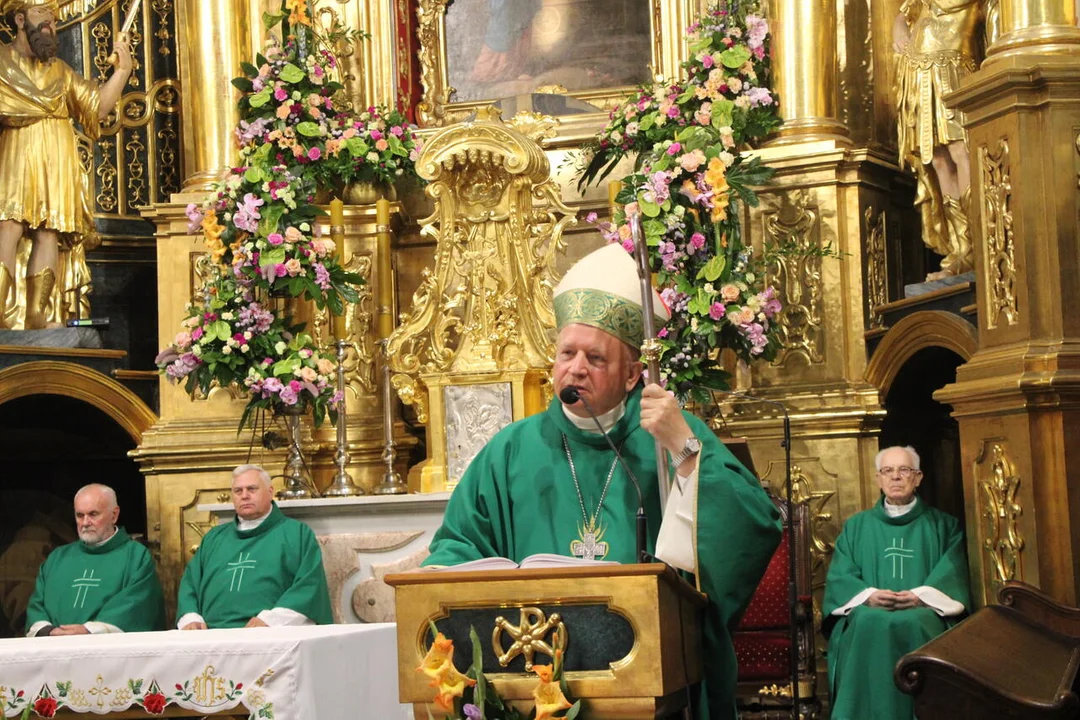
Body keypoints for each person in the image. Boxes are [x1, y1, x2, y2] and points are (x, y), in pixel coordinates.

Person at [422, 243, 783, 719]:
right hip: (529, 673)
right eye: (566, 353)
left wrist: (686, 452)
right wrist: (438, 578)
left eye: (595, 358)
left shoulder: (668, 433)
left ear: (632, 375)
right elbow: (460, 544)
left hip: (645, 677)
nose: (575, 368)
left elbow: (752, 524)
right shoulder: (511, 449)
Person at [0, 0, 132, 329]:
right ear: (20, 20)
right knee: (8, 226)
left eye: (54, 19)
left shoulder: (59, 70)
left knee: (49, 232)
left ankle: (38, 316)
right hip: (17, 146)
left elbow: (96, 108)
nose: (51, 24)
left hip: (56, 152)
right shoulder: (1, 61)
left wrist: (123, 71)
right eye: (42, 16)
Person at [822, 445, 971, 720]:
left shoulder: (943, 525)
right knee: (865, 620)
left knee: (916, 622)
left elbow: (953, 575)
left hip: (923, 613)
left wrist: (921, 597)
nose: (896, 477)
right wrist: (867, 596)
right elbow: (841, 577)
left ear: (918, 477)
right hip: (869, 613)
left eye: (904, 470)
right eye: (887, 471)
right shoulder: (856, 526)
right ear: (878, 479)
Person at [176, 464, 332, 629]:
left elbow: (309, 586)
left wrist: (272, 620)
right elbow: (190, 584)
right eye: (238, 491)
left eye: (252, 489)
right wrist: (191, 618)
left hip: (270, 633)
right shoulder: (214, 538)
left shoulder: (297, 534)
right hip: (211, 634)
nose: (244, 496)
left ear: (270, 492)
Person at [893, 0, 983, 278]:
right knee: (938, 159)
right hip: (919, 69)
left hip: (953, 64)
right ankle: (961, 247)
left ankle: (980, 241)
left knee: (961, 150)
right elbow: (907, 10)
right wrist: (899, 23)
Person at [25, 484, 165, 636]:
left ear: (114, 515)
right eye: (80, 515)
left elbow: (137, 604)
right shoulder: (57, 558)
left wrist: (88, 631)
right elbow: (36, 605)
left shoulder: (136, 556)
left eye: (93, 514)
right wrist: (49, 631)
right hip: (54, 647)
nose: (85, 522)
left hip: (107, 649)